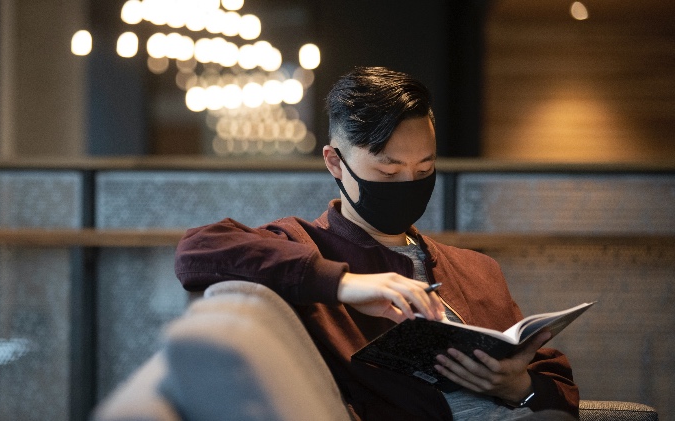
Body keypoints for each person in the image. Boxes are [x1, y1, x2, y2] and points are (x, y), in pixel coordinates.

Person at [174, 66, 579, 420]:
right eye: (388, 172)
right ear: (335, 162)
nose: (409, 183)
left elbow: (559, 393)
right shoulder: (307, 246)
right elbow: (198, 251)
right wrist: (344, 284)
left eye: (425, 168)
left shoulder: (478, 270)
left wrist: (517, 387)